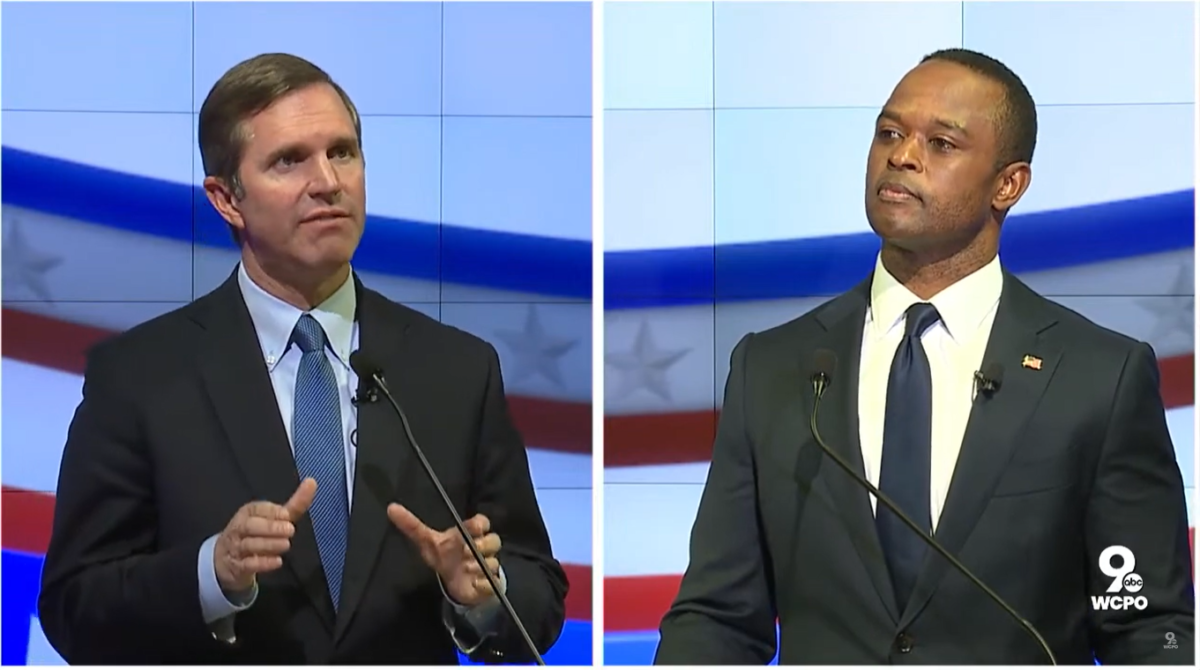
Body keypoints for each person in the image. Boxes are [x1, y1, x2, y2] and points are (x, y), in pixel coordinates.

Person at [654, 48, 1194, 665]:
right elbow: (717, 617)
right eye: (889, 132)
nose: (901, 155)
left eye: (941, 143)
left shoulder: (1100, 377)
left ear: (1008, 184)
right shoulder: (772, 368)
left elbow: (1150, 628)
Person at [37, 52, 568, 664]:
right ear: (225, 199)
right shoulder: (138, 378)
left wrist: (481, 592)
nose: (328, 182)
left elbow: (540, 592)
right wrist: (213, 573)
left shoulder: (457, 370)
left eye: (342, 152)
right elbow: (75, 608)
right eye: (289, 160)